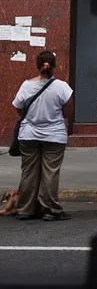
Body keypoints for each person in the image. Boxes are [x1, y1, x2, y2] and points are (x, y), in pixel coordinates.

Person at [12, 51, 74, 221]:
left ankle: (25, 209)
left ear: (37, 66)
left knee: (28, 173)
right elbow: (68, 112)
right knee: (50, 173)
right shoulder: (62, 87)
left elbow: (18, 108)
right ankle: (50, 209)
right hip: (54, 136)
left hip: (28, 135)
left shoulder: (26, 85)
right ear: (54, 66)